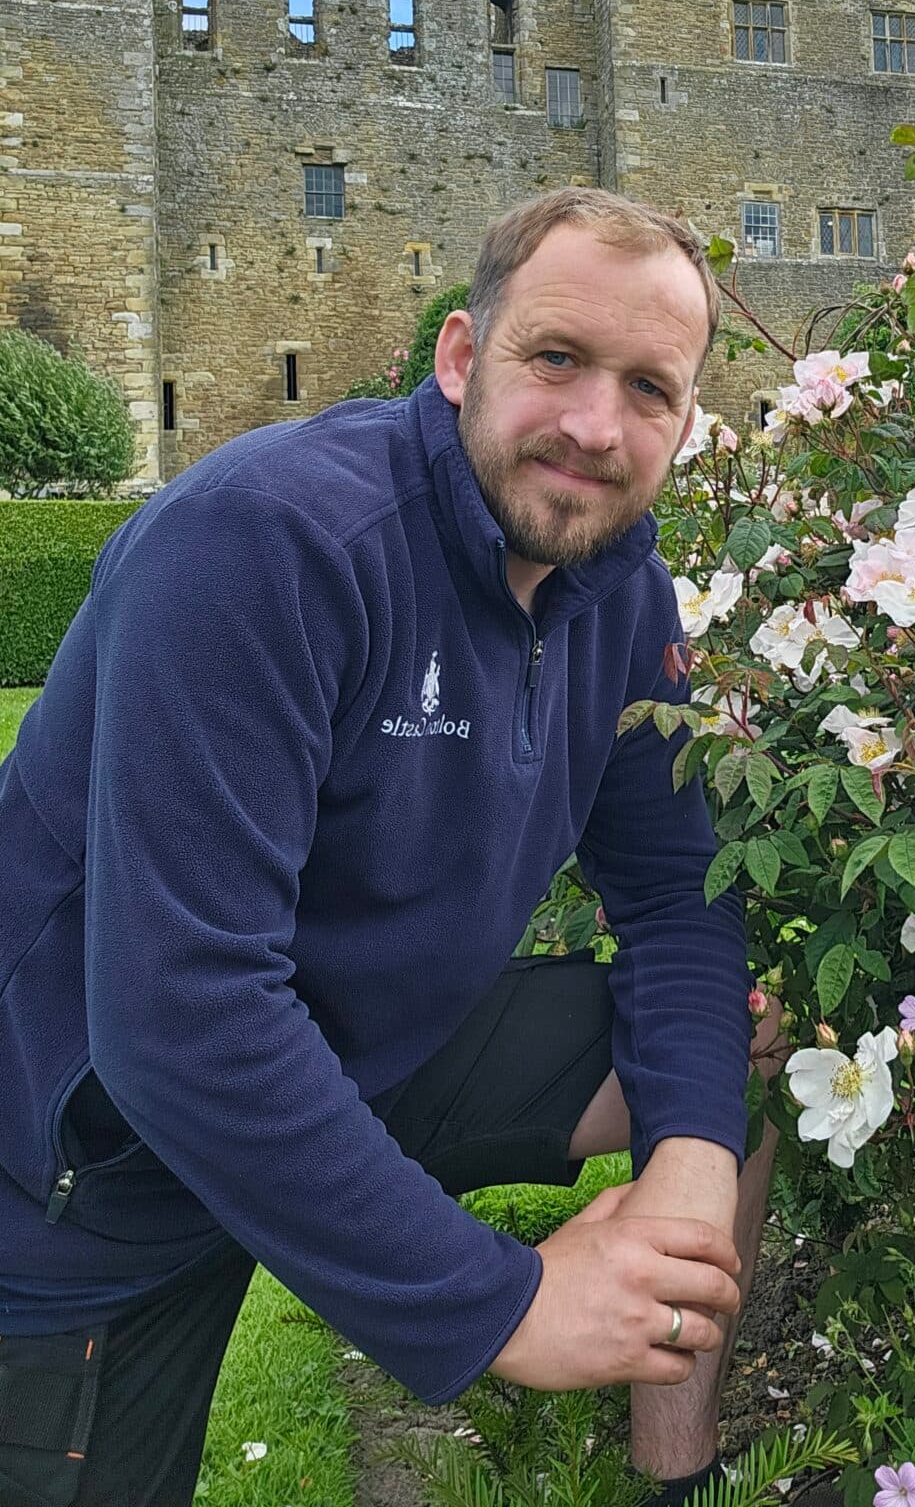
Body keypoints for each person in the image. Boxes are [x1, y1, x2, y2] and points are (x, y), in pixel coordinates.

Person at [0, 191, 785, 1507]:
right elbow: (180, 1016)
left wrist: (693, 1167)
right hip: (87, 1174)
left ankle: (675, 1484)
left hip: (371, 1049)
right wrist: (511, 1307)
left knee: (742, 1060)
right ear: (461, 359)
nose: (597, 426)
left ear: (687, 425)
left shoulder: (622, 585)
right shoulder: (272, 541)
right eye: (557, 359)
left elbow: (675, 900)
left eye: (648, 387)